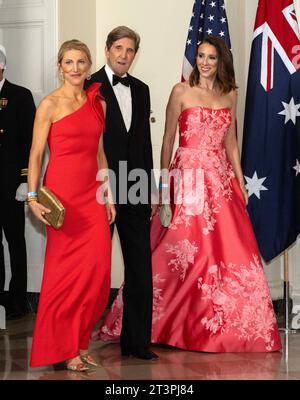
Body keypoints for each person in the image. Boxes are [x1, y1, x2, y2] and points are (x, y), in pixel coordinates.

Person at [95, 36, 282, 352]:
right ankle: (156, 326)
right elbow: (167, 141)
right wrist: (165, 187)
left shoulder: (230, 95)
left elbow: (232, 144)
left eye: (211, 57)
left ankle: (219, 327)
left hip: (220, 180)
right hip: (187, 178)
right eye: (201, 56)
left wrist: (240, 182)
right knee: (178, 252)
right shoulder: (180, 91)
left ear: (221, 62)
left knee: (228, 253)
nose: (205, 62)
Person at [28, 39, 116, 371]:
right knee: (63, 277)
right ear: (60, 67)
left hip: (91, 196)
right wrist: (33, 197)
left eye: (81, 62)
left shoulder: (98, 102)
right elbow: (36, 155)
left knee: (97, 273)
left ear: (89, 64)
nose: (75, 68)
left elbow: (100, 152)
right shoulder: (49, 105)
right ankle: (66, 349)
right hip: (62, 199)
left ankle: (79, 340)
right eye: (68, 62)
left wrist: (109, 193)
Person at [85, 26, 158, 361]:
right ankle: (75, 343)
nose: (123, 55)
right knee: (93, 268)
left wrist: (151, 188)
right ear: (107, 49)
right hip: (101, 188)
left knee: (140, 267)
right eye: (118, 48)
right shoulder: (88, 87)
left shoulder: (141, 89)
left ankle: (137, 343)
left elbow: (144, 143)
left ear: (134, 54)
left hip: (136, 186)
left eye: (130, 50)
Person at [0, 45, 36, 320]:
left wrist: (26, 180)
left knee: (15, 240)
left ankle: (17, 299)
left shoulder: (20, 96)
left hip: (12, 183)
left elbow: (30, 143)